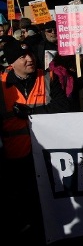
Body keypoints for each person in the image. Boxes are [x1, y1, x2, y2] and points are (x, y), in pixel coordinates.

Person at [0, 36, 70, 235]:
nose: (29, 59)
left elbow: (63, 107)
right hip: (15, 157)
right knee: (23, 200)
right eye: (22, 56)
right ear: (12, 63)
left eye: (30, 54)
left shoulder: (48, 77)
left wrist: (31, 112)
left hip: (48, 153)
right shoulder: (1, 84)